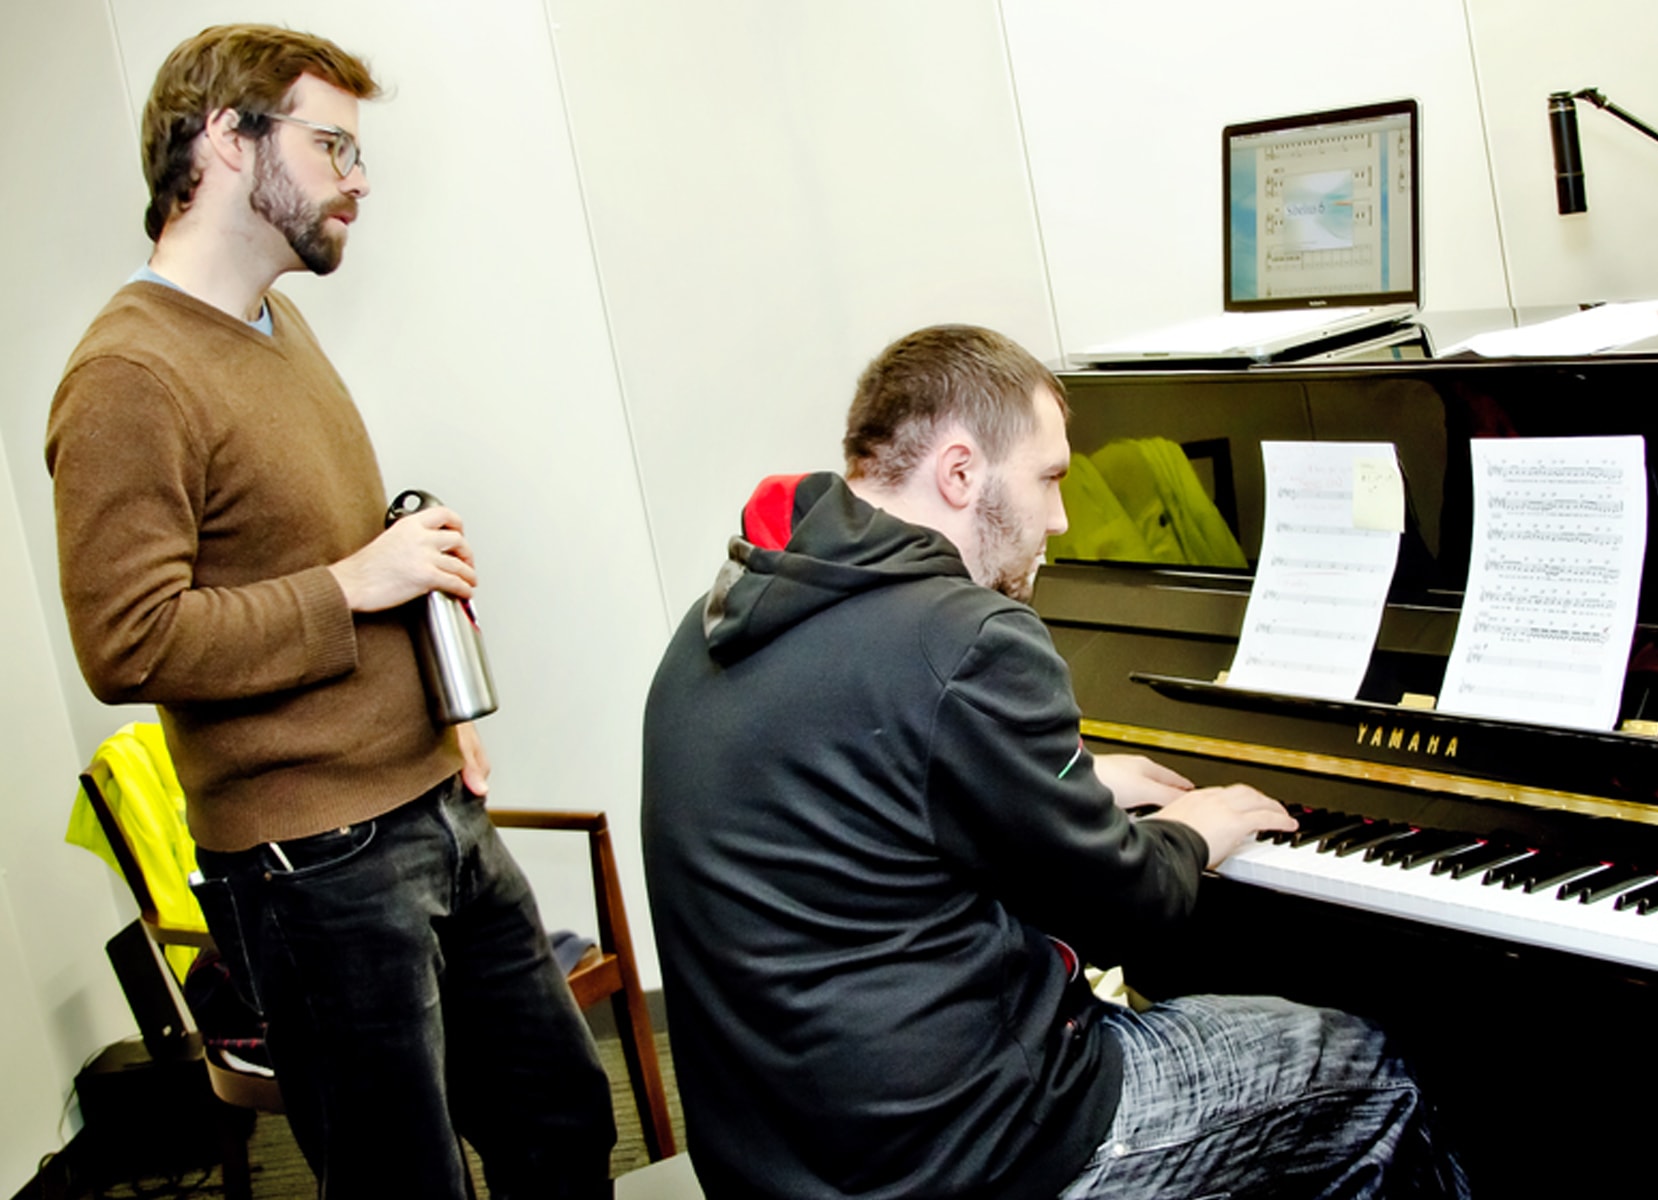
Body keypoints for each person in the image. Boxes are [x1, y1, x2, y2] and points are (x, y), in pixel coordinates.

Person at [642, 324, 1467, 1198]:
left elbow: (869, 787)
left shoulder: (718, 621)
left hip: (781, 1158)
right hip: (969, 1153)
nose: (1063, 518)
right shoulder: (969, 635)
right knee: (1367, 1067)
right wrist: (1191, 831)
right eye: (1050, 479)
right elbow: (1129, 908)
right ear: (961, 473)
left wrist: (1063, 779)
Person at [45, 25, 614, 1197]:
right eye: (332, 145)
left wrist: (439, 709)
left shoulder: (277, 326)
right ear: (226, 140)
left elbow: (323, 555)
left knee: (561, 1123)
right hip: (313, 863)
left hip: (433, 808)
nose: (360, 179)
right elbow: (128, 639)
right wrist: (357, 585)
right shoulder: (127, 377)